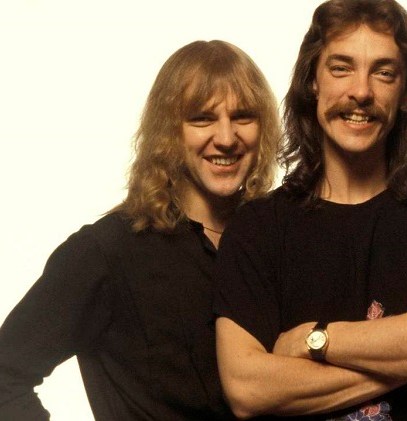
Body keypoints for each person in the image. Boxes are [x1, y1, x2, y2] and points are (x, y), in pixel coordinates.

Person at [212, 0, 407, 419]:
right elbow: (247, 389)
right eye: (341, 68)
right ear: (312, 81)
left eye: (384, 73)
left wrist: (315, 340)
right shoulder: (257, 227)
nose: (361, 92)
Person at [0, 40, 280, 420]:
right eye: (202, 118)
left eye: (243, 116)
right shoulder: (106, 252)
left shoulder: (275, 239)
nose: (227, 138)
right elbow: (5, 376)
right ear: (169, 131)